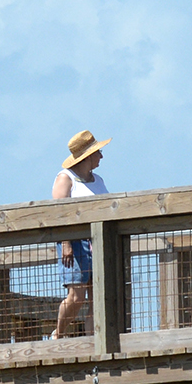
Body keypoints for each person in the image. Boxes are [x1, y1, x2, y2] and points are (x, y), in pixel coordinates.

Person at [51, 130, 110, 339]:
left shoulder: (99, 180)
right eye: (98, 152)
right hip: (75, 243)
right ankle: (58, 333)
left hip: (99, 241)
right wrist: (66, 243)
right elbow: (59, 213)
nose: (101, 156)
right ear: (88, 156)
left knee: (97, 297)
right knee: (77, 296)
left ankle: (93, 341)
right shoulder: (65, 179)